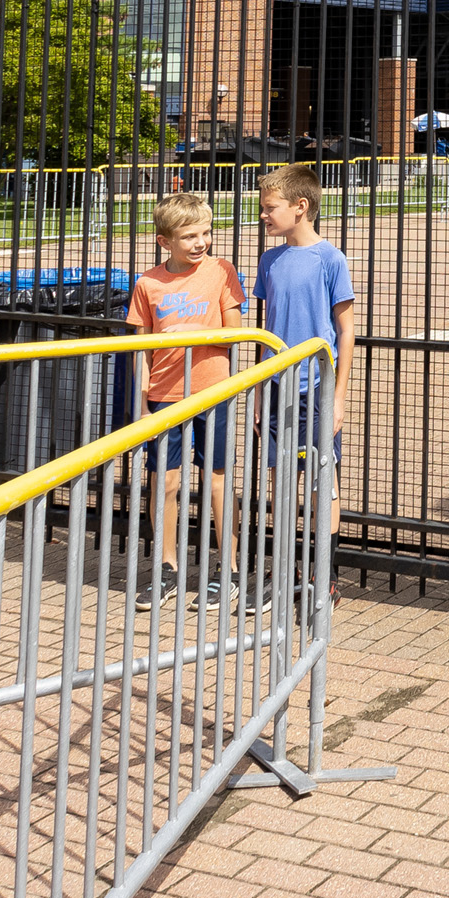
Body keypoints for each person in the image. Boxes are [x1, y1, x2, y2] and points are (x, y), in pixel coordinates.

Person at [129, 190, 243, 601]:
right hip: (165, 394)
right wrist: (142, 406)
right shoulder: (148, 283)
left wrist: (195, 334)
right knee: (166, 482)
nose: (201, 243)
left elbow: (236, 335)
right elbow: (141, 350)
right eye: (190, 236)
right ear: (164, 241)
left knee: (217, 480)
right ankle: (167, 567)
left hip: (214, 390)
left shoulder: (222, 272)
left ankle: (228, 567)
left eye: (205, 233)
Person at [250, 165, 357, 603]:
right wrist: (259, 392)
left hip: (317, 386)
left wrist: (339, 396)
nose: (263, 215)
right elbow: (265, 328)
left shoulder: (331, 259)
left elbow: (346, 331)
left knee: (321, 479)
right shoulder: (269, 260)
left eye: (269, 208)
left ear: (301, 206)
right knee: (280, 478)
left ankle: (323, 573)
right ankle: (285, 570)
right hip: (275, 386)